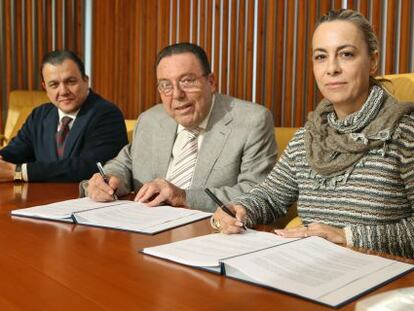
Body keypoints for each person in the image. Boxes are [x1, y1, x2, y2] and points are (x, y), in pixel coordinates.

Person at [212, 9, 414, 258]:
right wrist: (240, 208)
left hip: (386, 281)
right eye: (321, 57)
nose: (331, 68)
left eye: (346, 54)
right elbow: (271, 196)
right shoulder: (308, 136)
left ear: (372, 61)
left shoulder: (405, 132)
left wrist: (347, 236)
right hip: (311, 269)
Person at [85, 42, 277, 212]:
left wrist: (184, 197)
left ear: (211, 82)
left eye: (187, 81)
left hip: (211, 235)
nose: (177, 94)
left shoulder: (252, 121)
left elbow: (257, 193)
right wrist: (110, 179)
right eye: (165, 85)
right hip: (145, 229)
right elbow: (125, 163)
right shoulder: (150, 119)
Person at [0, 50, 128, 182]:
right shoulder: (39, 115)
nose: (63, 91)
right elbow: (14, 152)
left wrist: (18, 172)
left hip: (84, 199)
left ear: (85, 80)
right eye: (54, 84)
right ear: (45, 87)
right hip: (40, 199)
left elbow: (89, 167)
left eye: (71, 82)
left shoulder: (107, 114)